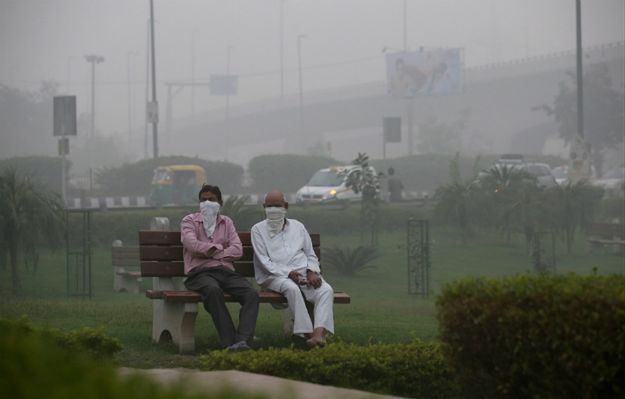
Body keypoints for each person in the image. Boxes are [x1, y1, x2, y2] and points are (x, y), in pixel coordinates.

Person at [181, 184, 259, 351]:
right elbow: (192, 244)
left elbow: (237, 249)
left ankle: (243, 340)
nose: (207, 203)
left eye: (211, 199)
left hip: (225, 272)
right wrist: (219, 249)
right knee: (213, 291)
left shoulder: (227, 222)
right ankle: (230, 343)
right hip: (200, 273)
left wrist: (211, 252)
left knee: (251, 293)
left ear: (220, 202)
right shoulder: (189, 221)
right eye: (203, 200)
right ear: (199, 203)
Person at [251, 190, 334, 347]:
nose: (273, 209)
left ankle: (319, 335)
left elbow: (310, 254)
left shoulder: (298, 226)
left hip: (303, 274)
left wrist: (312, 272)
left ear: (286, 206)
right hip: (274, 276)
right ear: (264, 207)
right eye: (269, 206)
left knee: (326, 290)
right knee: (292, 288)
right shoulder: (257, 230)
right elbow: (264, 261)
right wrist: (288, 273)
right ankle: (308, 334)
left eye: (277, 205)